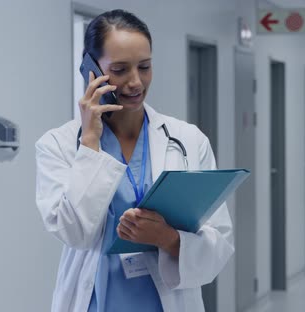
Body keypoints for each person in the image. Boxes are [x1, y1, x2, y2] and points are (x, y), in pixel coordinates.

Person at [35, 9, 234, 312]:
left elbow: (219, 244)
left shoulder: (188, 140)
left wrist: (168, 239)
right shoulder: (59, 145)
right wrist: (90, 144)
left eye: (144, 67)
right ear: (90, 69)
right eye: (119, 69)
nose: (136, 82)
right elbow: (74, 233)